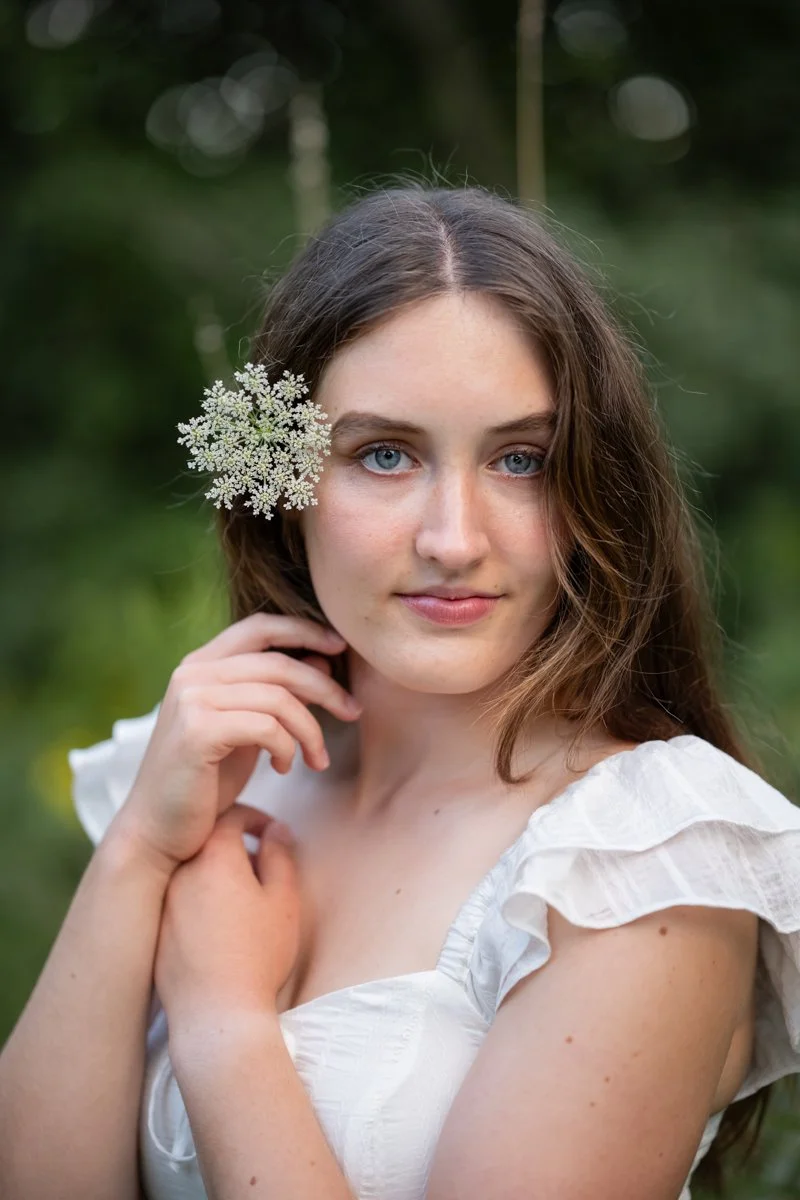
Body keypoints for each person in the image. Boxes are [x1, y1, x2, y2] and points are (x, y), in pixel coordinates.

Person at [2, 184, 799, 1200]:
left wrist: (226, 1030)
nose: (453, 539)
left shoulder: (645, 863)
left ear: (594, 489)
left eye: (520, 460)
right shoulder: (217, 778)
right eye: (383, 454)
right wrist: (136, 857)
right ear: (282, 489)